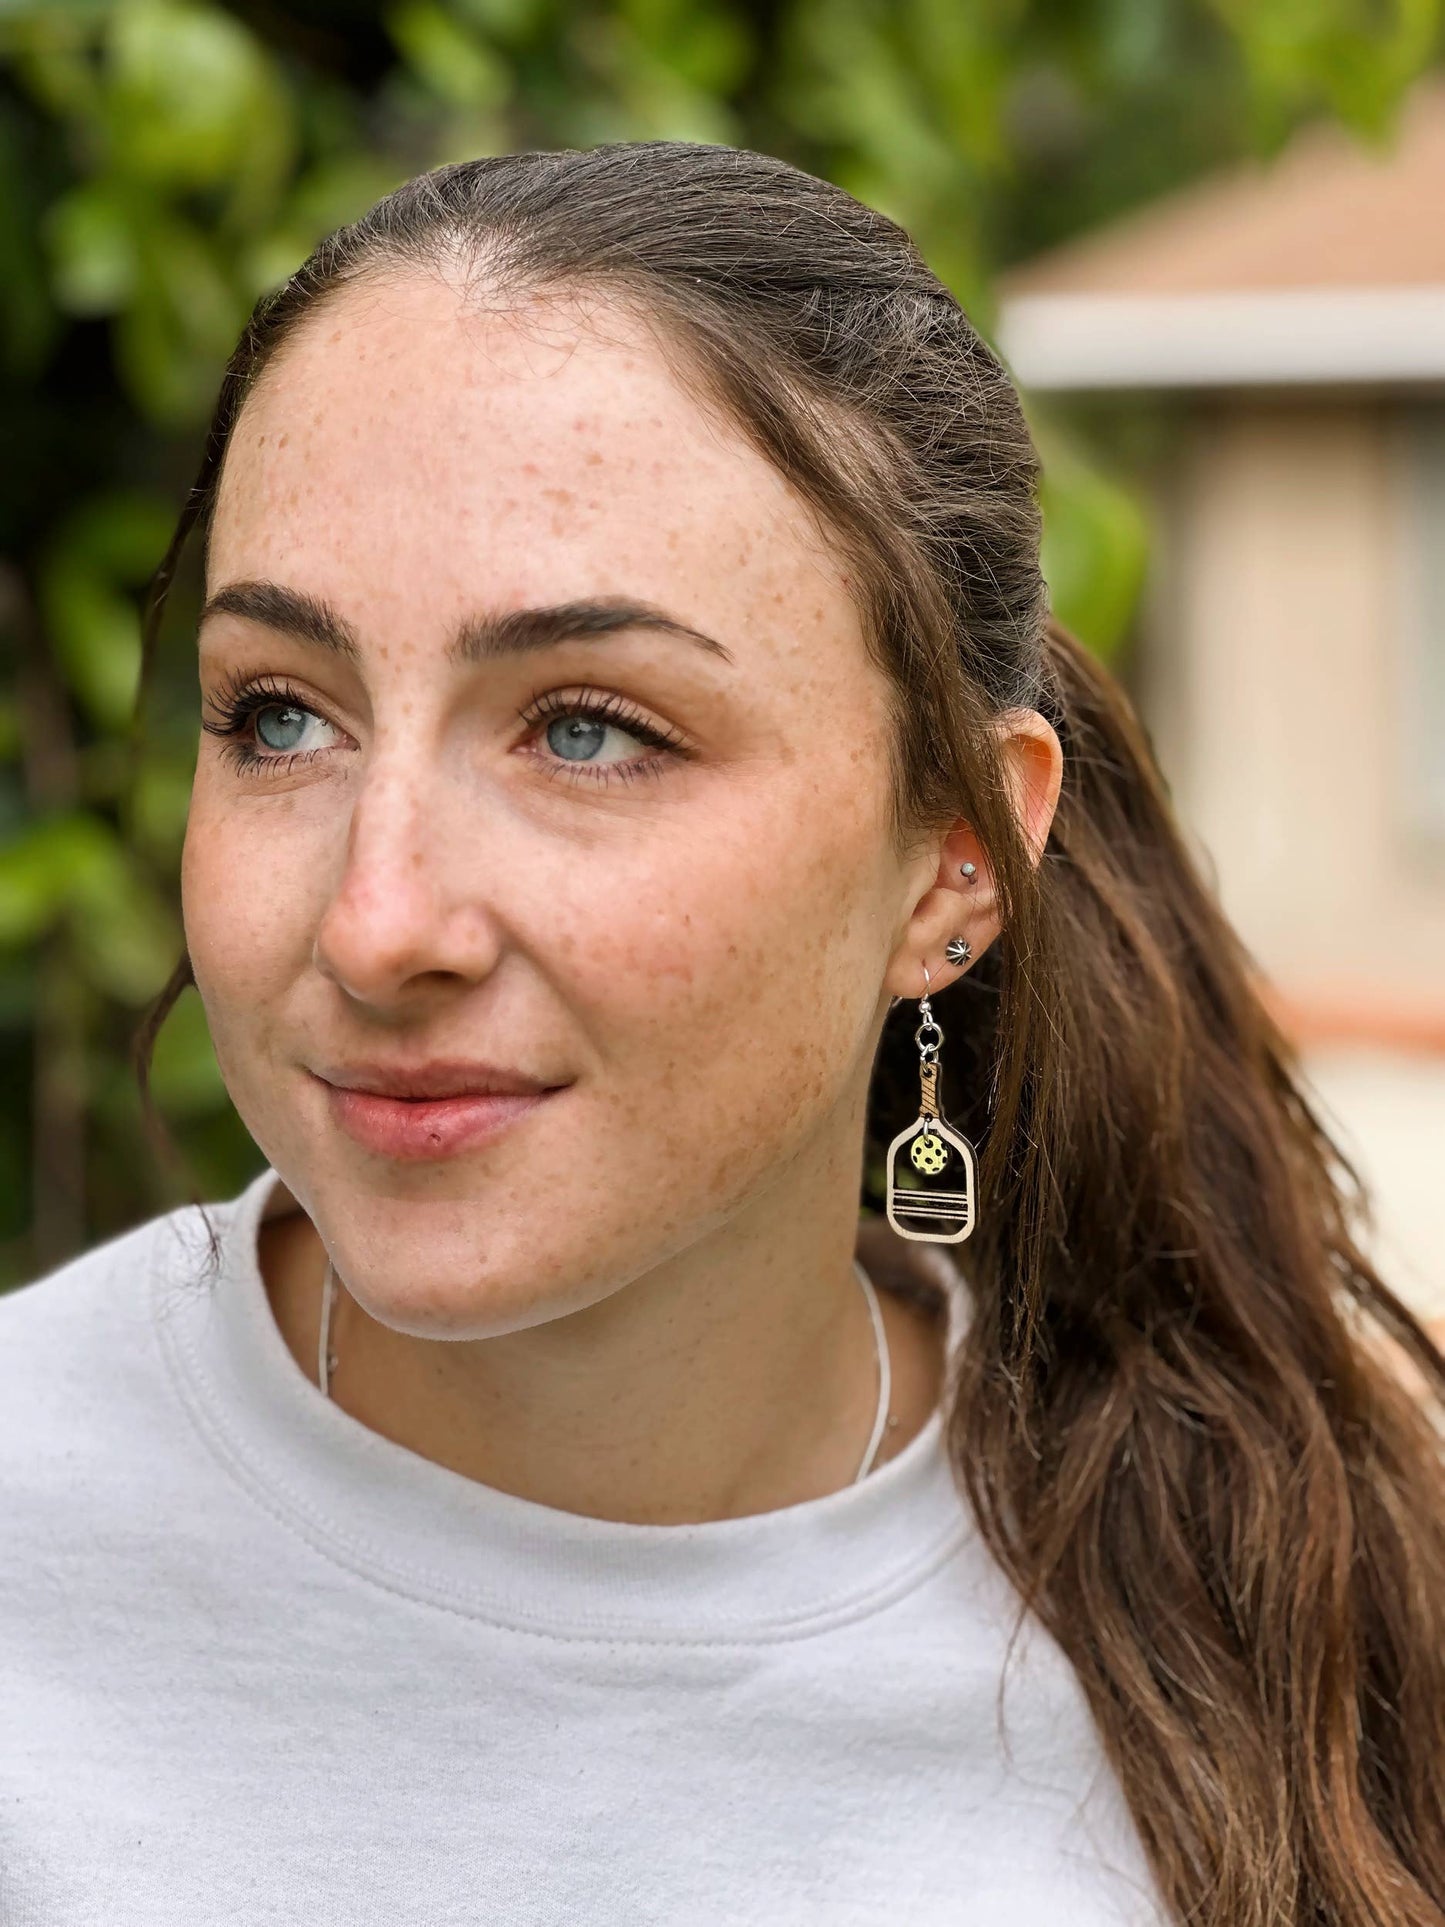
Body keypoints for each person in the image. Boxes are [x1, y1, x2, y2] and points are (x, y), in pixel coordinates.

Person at [2, 143, 1441, 1927]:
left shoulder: (1298, 1628)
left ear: (957, 860)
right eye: (281, 716)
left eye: (589, 731)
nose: (379, 924)